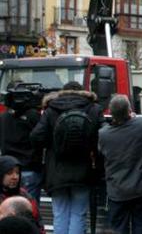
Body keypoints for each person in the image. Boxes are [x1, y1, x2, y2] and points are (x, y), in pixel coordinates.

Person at [30, 81, 102, 234]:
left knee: (60, 214)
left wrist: (51, 144)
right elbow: (102, 136)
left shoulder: (51, 109)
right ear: (83, 91)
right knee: (79, 214)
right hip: (84, 169)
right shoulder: (93, 108)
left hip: (56, 170)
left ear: (63, 92)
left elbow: (36, 137)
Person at [99, 95, 142, 234]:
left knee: (117, 227)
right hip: (141, 187)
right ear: (129, 109)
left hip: (117, 190)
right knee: (141, 224)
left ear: (110, 112)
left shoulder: (104, 134)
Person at [0, 82, 43, 204]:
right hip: (30, 166)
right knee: (28, 205)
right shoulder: (33, 116)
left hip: (8, 167)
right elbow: (41, 137)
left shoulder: (3, 117)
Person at [0, 157, 42, 232]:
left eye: (17, 173)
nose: (15, 177)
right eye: (9, 173)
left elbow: (38, 224)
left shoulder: (25, 196)